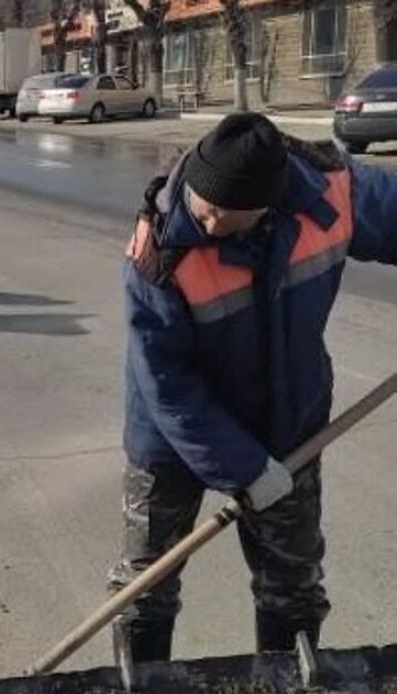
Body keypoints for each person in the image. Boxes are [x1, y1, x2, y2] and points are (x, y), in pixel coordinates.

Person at [114, 113, 397, 661]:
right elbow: (167, 385)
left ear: (271, 204)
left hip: (290, 428)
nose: (212, 222)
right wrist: (243, 469)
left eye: (230, 214)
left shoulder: (331, 194)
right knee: (145, 587)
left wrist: (270, 465)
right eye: (205, 205)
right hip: (173, 440)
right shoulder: (160, 250)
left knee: (292, 590)